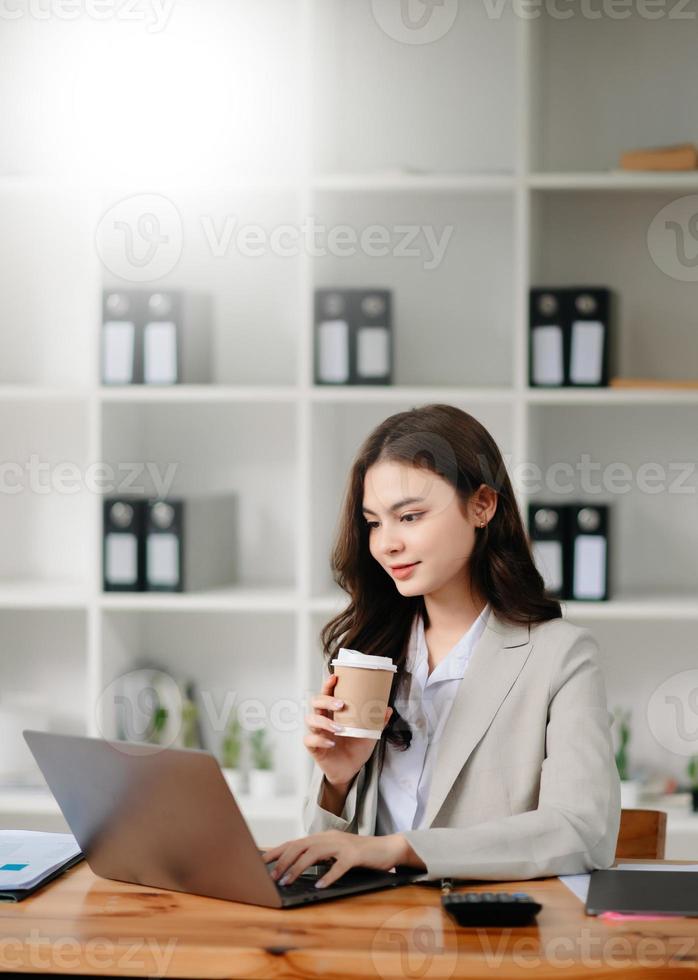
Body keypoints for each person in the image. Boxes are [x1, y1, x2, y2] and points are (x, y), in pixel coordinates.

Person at [262, 404, 621, 890]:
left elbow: (581, 831)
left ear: (482, 506)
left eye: (409, 516)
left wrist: (398, 849)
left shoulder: (560, 655)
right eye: (373, 522)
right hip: (364, 936)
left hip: (483, 940)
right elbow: (327, 860)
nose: (387, 543)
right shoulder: (368, 650)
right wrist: (338, 781)